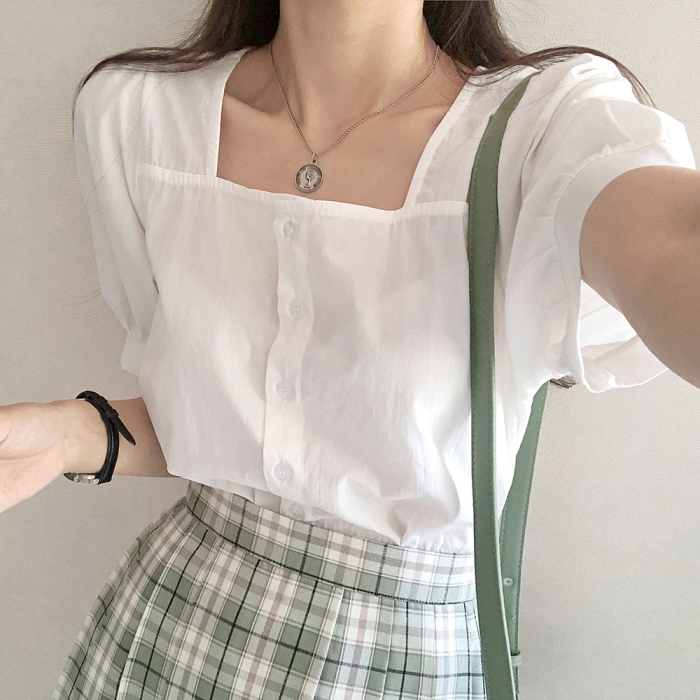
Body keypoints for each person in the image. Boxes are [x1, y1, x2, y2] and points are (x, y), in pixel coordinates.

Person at [1, 1, 699, 698]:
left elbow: (671, 245)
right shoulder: (137, 116)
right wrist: (70, 434)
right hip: (172, 623)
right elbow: (216, 433)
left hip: (403, 662)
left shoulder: (543, 130)